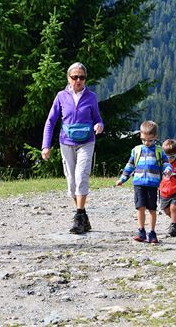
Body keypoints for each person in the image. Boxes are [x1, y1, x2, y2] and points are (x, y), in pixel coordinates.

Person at [42, 62, 104, 234]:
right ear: (68, 78)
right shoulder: (61, 96)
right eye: (74, 77)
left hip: (87, 142)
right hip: (66, 142)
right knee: (71, 183)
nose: (78, 80)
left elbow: (98, 118)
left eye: (82, 77)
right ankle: (83, 215)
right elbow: (51, 121)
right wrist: (46, 146)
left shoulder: (91, 97)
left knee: (81, 175)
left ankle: (78, 217)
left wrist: (99, 125)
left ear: (85, 79)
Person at [116, 121, 172, 244]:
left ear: (155, 138)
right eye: (144, 140)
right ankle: (141, 230)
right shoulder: (136, 150)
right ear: (141, 136)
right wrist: (123, 179)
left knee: (152, 208)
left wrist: (168, 170)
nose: (147, 143)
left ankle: (152, 232)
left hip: (152, 184)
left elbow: (166, 164)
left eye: (150, 140)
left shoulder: (159, 151)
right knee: (140, 207)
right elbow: (130, 166)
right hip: (139, 183)